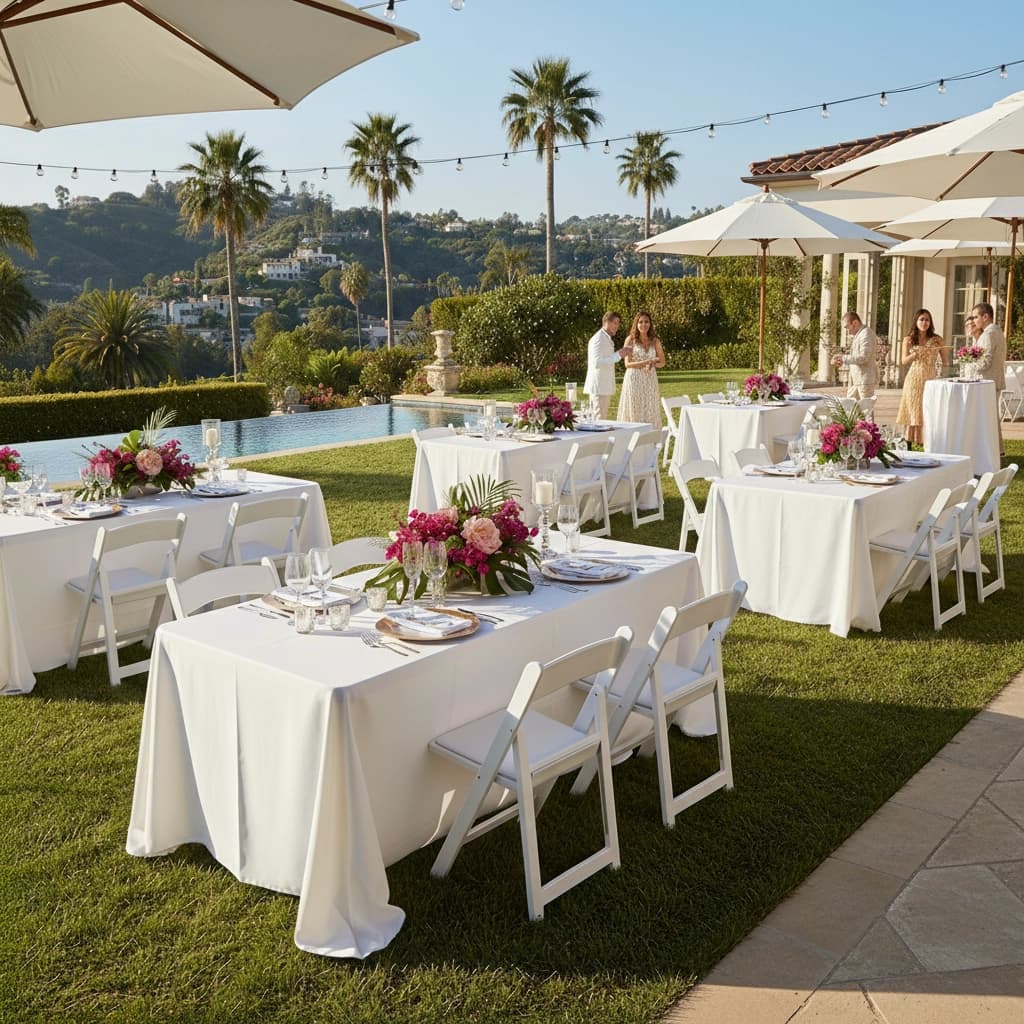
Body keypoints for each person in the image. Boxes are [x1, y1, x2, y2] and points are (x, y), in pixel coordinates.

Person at [896, 309, 945, 446]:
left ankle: (928, 441)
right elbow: (903, 361)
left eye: (927, 320)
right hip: (914, 378)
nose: (924, 322)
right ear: (916, 321)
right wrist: (914, 355)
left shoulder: (937, 340)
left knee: (928, 409)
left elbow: (945, 361)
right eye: (921, 319)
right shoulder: (909, 339)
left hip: (930, 378)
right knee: (913, 409)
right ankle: (909, 443)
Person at [616, 311, 666, 429]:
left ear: (650, 324)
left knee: (649, 408)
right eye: (641, 322)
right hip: (634, 380)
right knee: (635, 409)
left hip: (650, 381)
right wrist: (646, 362)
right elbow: (627, 364)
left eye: (646, 322)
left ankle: (649, 441)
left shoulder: (655, 341)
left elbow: (662, 362)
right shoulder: (630, 340)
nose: (644, 324)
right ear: (636, 324)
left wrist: (653, 363)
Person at [972, 301, 1006, 454]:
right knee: (991, 419)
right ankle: (997, 450)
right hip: (993, 381)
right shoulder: (997, 331)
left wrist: (968, 363)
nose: (973, 321)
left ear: (985, 316)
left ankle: (989, 451)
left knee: (985, 419)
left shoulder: (988, 334)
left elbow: (984, 362)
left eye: (975, 317)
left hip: (985, 382)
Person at [583, 311, 629, 418]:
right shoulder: (598, 339)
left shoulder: (605, 337)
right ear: (606, 322)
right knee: (598, 420)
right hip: (599, 387)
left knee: (601, 418)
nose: (617, 326)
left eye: (618, 323)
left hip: (603, 387)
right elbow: (597, 362)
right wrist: (618, 355)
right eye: (615, 323)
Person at [831, 311, 878, 400]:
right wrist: (841, 360)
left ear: (855, 323)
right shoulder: (860, 334)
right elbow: (855, 357)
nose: (848, 331)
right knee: (850, 409)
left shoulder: (866, 334)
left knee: (865, 411)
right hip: (856, 381)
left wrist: (843, 358)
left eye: (847, 327)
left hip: (864, 382)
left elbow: (864, 357)